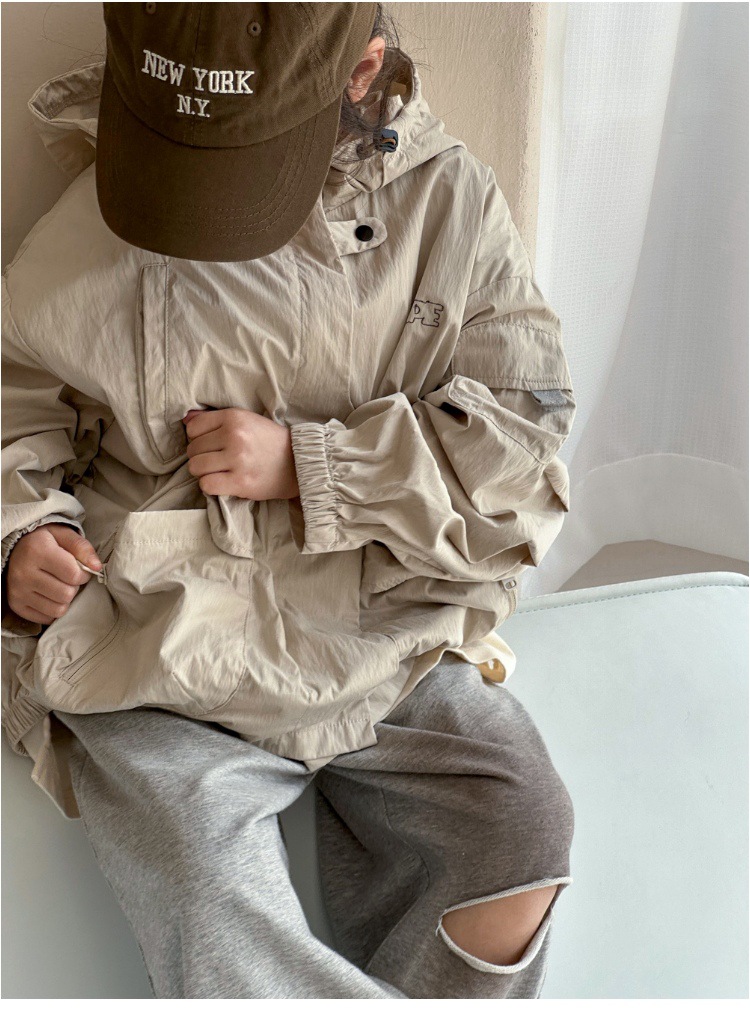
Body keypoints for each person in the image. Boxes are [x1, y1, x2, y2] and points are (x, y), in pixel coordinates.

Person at [1, 3, 577, 999]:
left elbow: (521, 451)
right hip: (155, 644)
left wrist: (321, 468)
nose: (202, 209)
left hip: (382, 627)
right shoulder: (97, 215)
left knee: (519, 820)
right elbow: (16, 395)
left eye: (239, 169)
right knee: (203, 883)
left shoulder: (448, 207)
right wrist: (21, 535)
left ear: (364, 71)